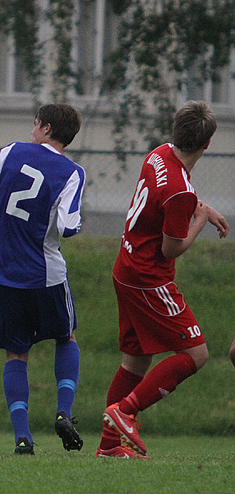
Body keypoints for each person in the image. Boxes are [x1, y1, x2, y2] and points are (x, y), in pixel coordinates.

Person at [98, 100, 228, 459]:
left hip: (125, 268)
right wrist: (198, 222)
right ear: (208, 143)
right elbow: (172, 249)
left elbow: (167, 196)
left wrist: (198, 207)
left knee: (135, 362)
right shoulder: (181, 191)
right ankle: (125, 412)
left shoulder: (159, 154)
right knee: (195, 354)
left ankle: (109, 446)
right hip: (149, 279)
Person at [0, 103, 86, 455]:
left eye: (35, 124)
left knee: (15, 354)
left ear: (46, 127)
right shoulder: (72, 172)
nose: (32, 130)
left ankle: (23, 437)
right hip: (45, 275)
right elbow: (68, 226)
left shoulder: (10, 152)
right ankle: (64, 412)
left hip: (2, 273)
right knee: (65, 336)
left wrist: (7, 233)